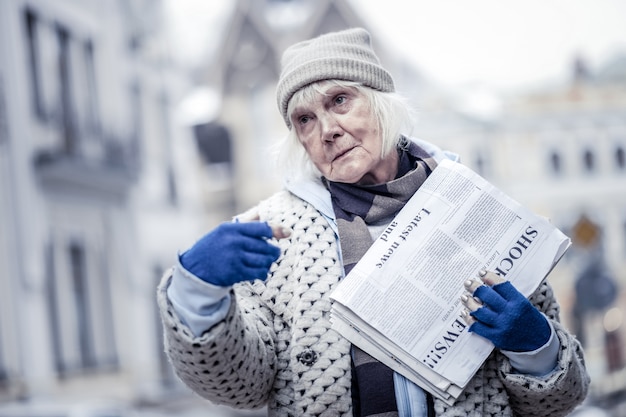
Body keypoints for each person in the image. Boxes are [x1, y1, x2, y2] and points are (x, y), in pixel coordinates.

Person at [157, 28, 589, 416]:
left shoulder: (475, 206)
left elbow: (562, 399)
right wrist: (197, 292)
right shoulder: (273, 234)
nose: (326, 129)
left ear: (381, 102)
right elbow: (239, 386)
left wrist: (537, 347)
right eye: (304, 119)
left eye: (339, 100)